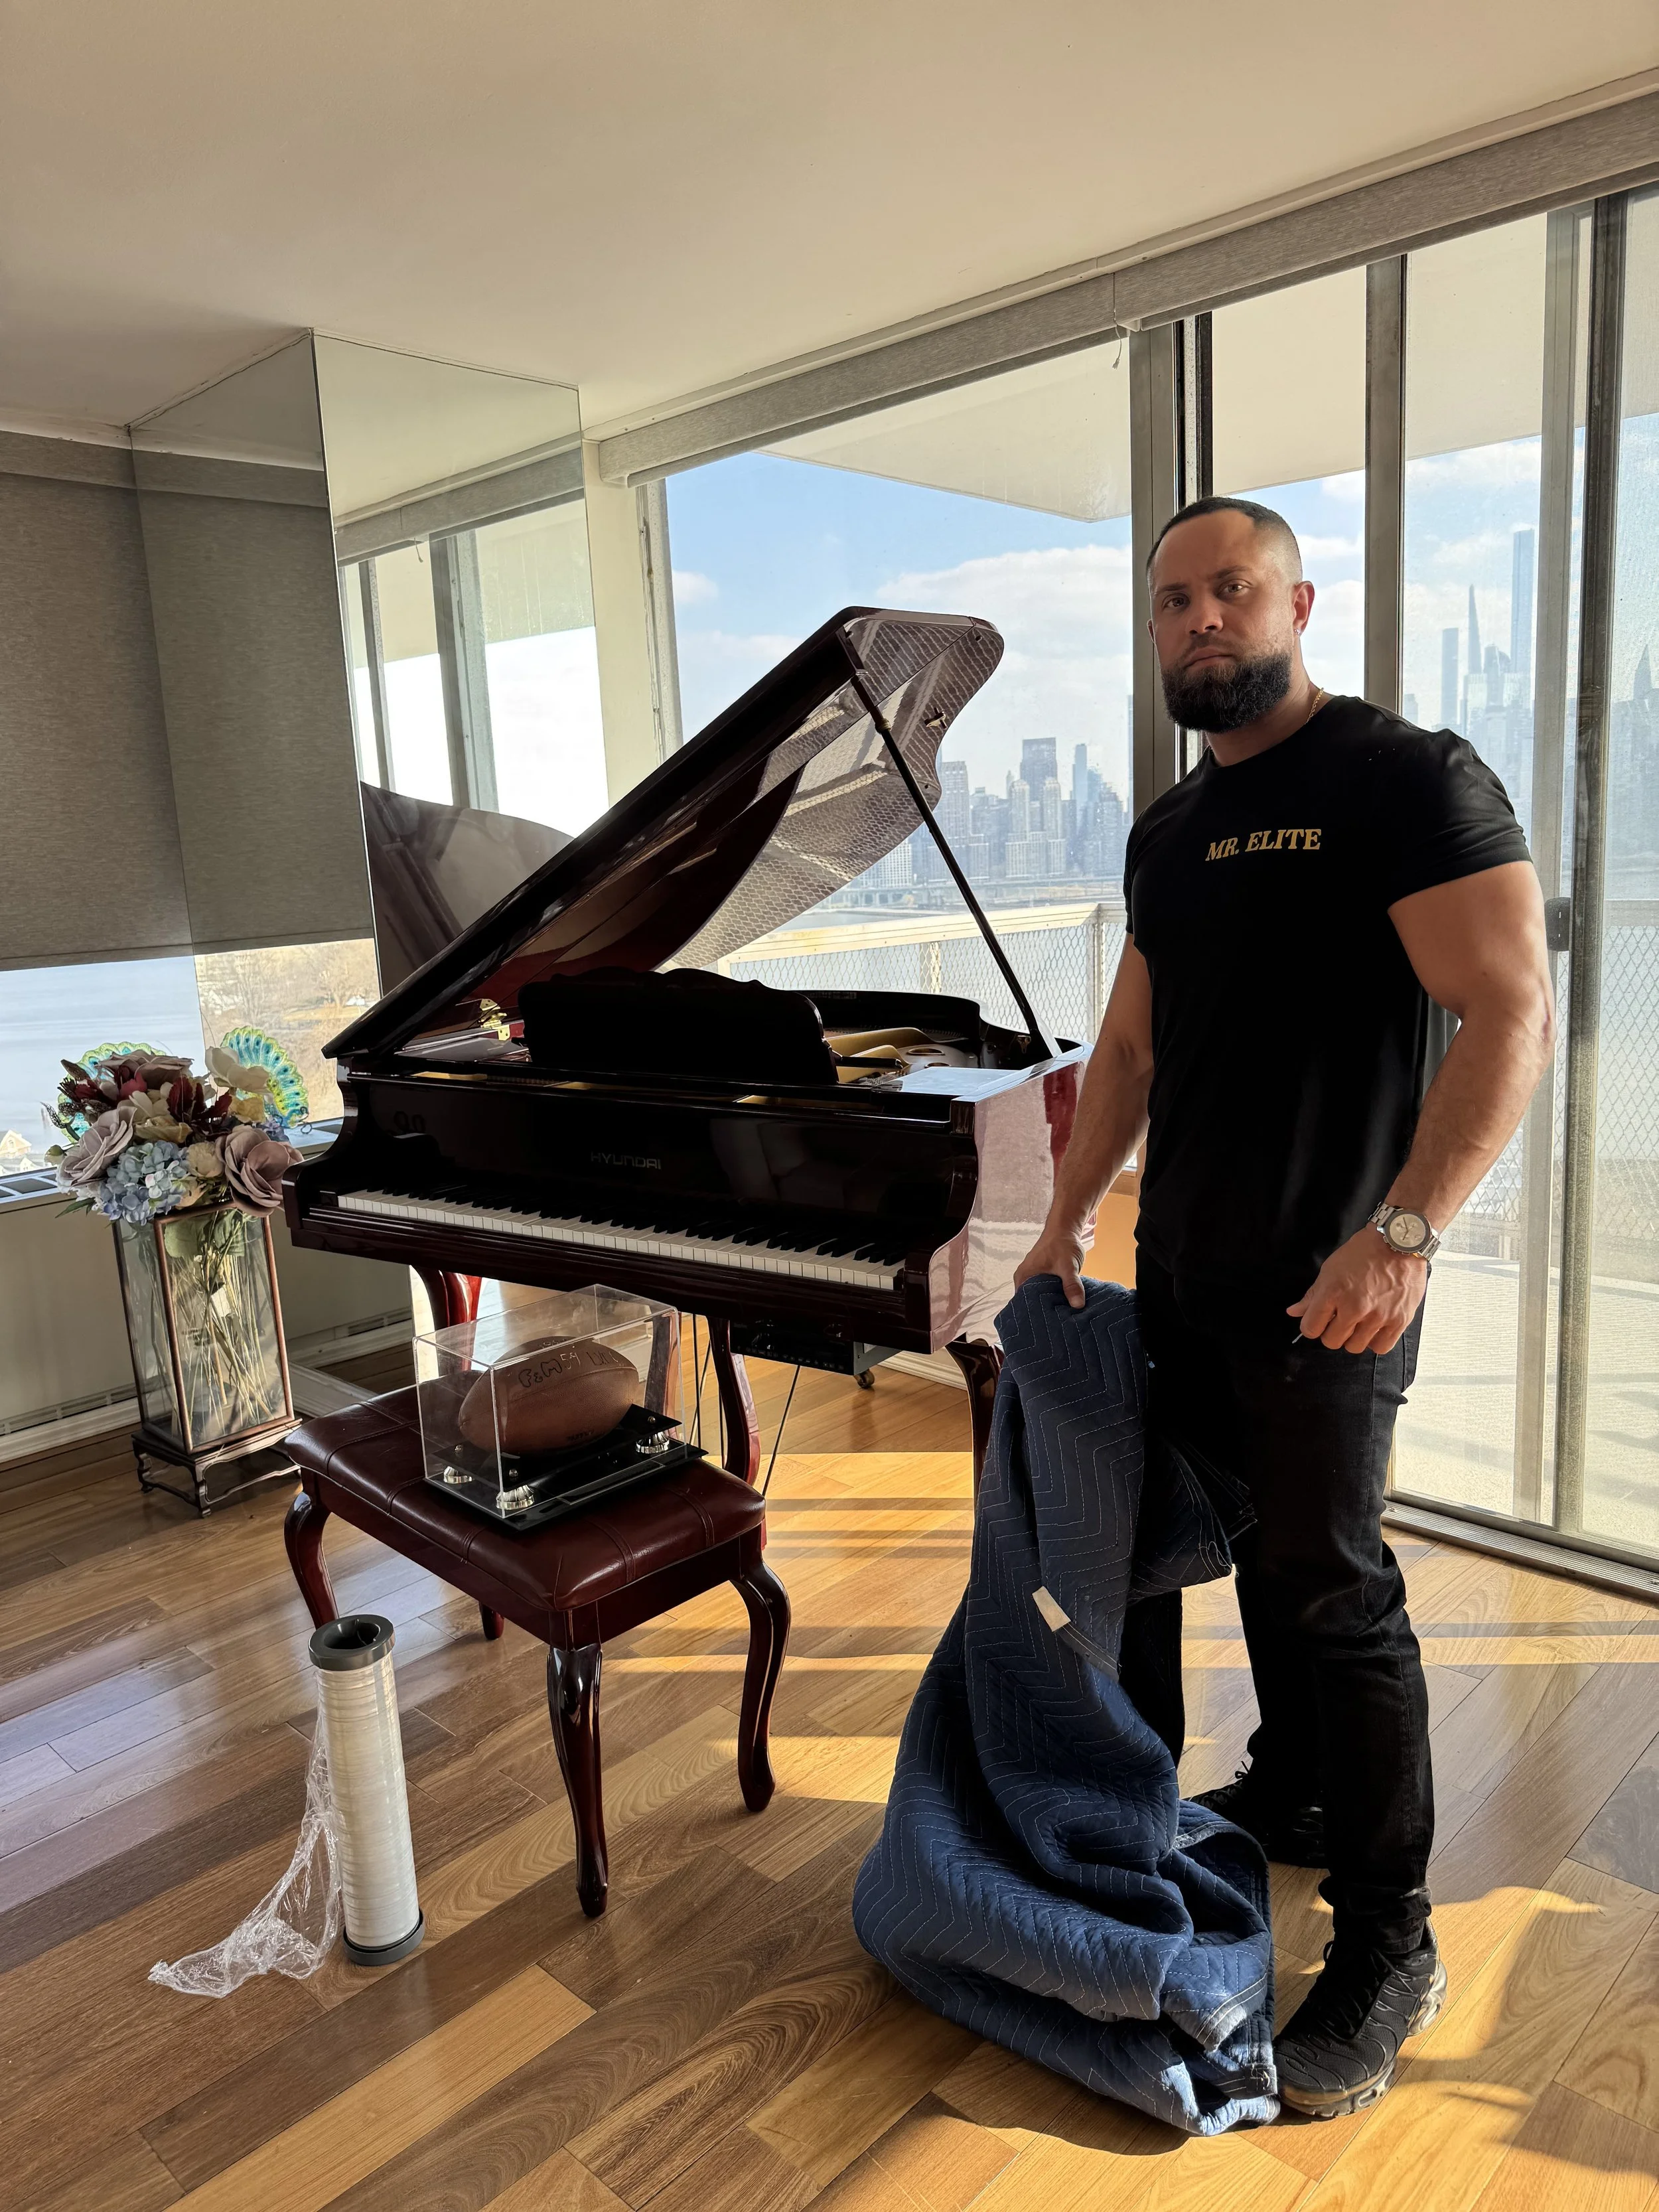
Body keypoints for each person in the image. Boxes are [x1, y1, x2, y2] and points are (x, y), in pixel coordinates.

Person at [1015, 495, 1554, 2120]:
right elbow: (1123, 1055)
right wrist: (1062, 1218)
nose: (1199, 619)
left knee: (1332, 1588)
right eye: (1172, 599)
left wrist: (1400, 1233)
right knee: (1217, 1548)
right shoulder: (1168, 834)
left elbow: (1508, 1005)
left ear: (1294, 602)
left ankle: (1391, 1939)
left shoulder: (1404, 778)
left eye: (1228, 589)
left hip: (1334, 1283)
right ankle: (1299, 1790)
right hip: (1183, 1268)